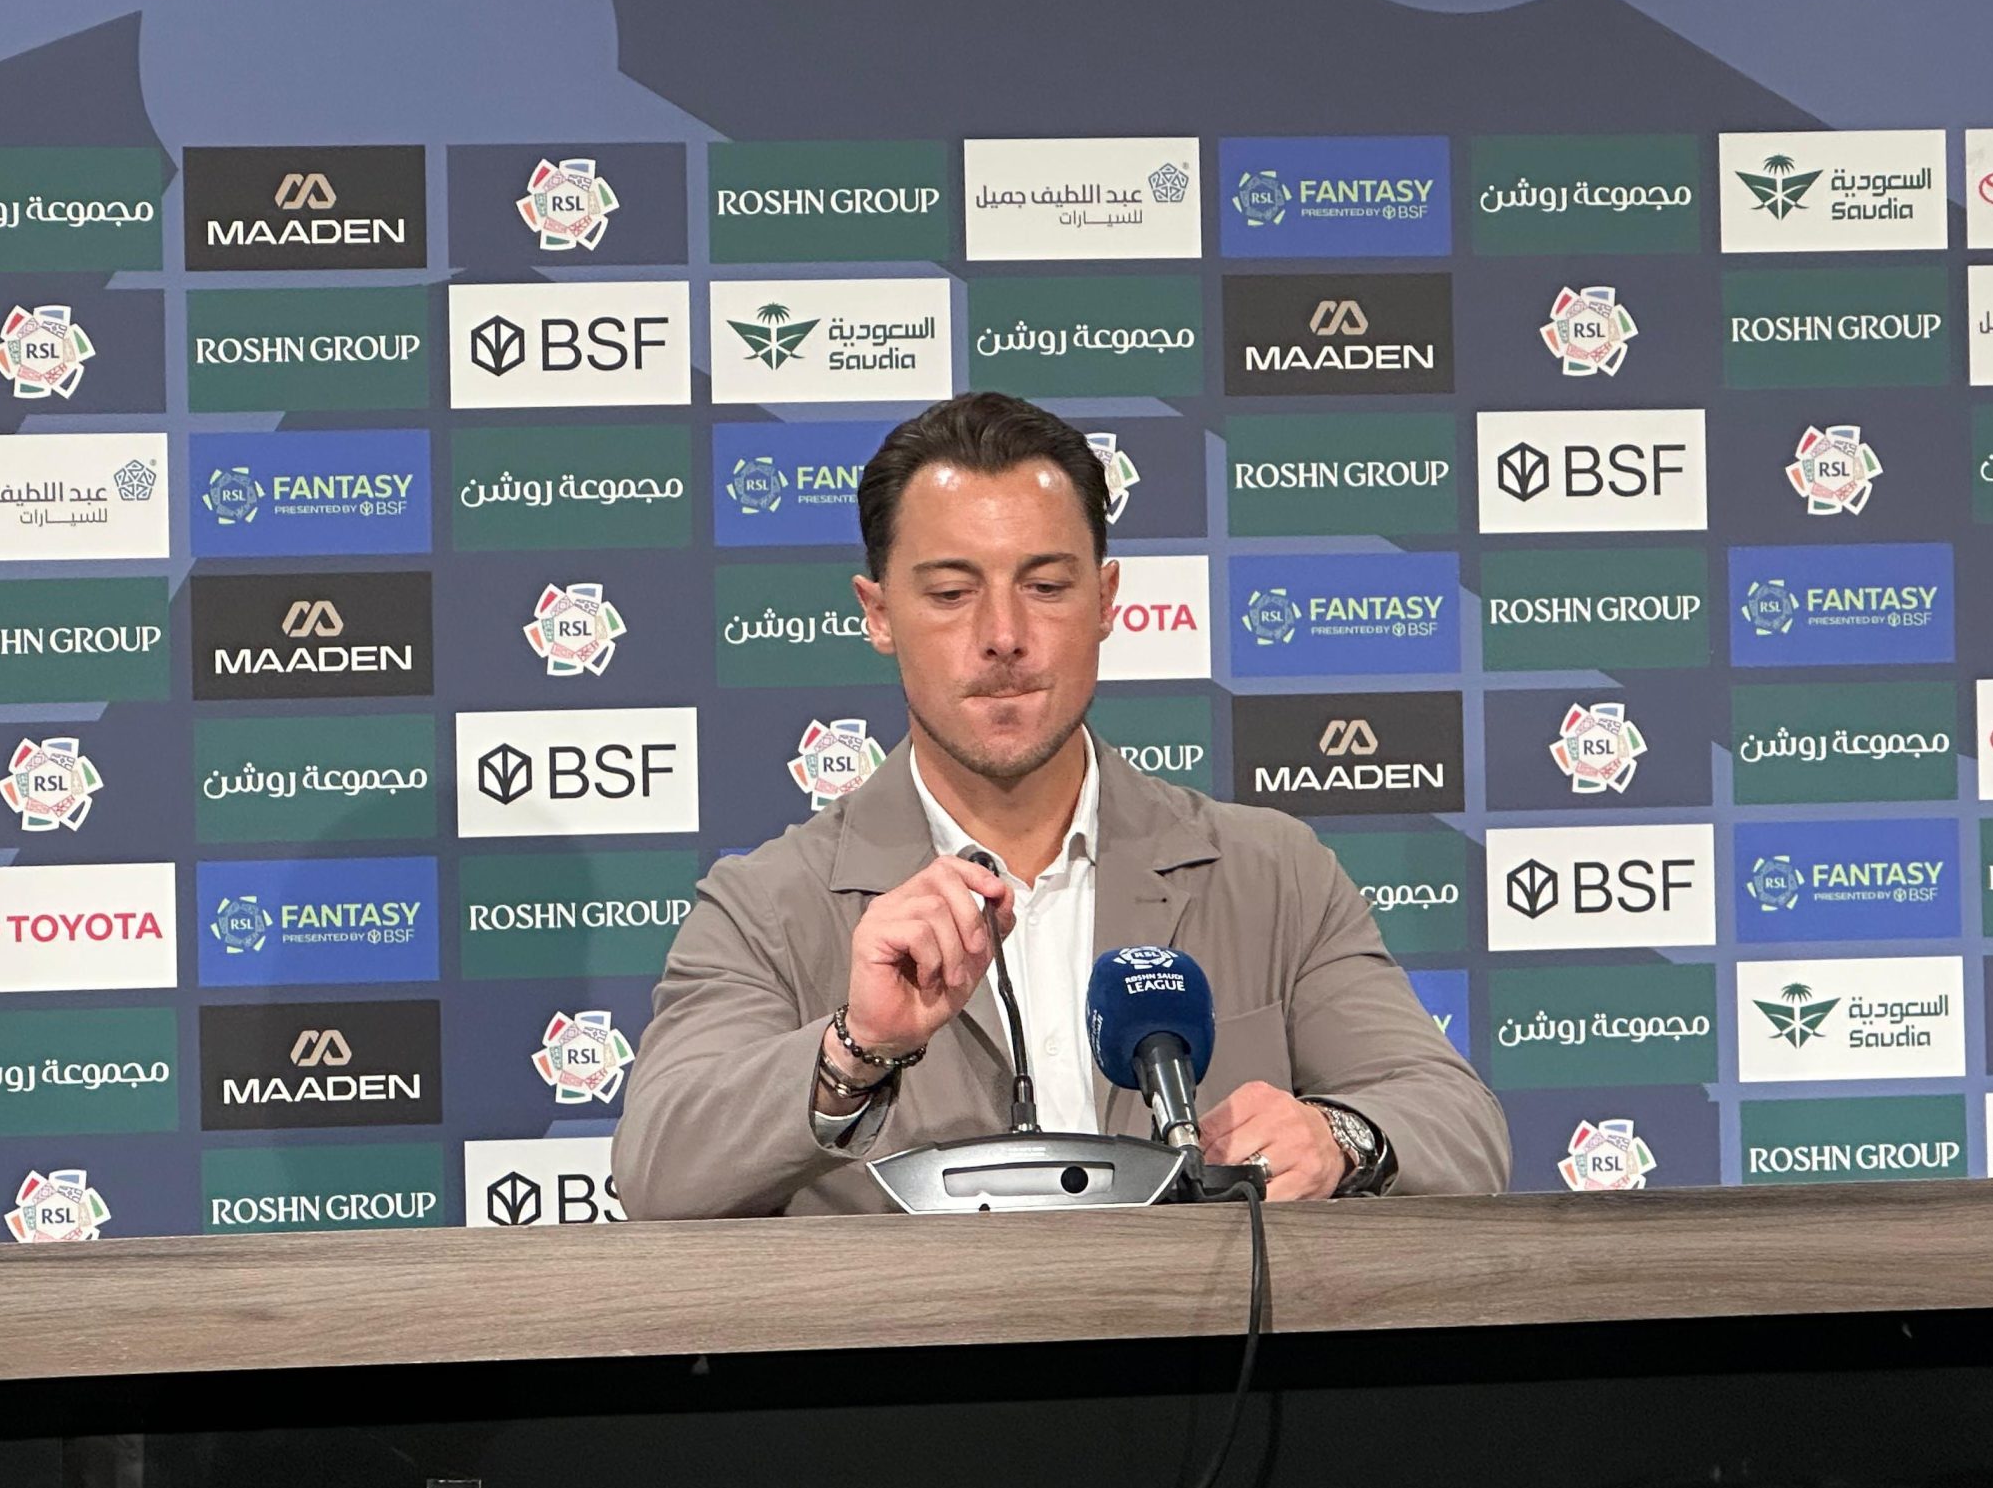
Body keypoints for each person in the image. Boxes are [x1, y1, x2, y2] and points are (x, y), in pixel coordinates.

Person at [615, 392, 1508, 1217]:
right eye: (951, 593)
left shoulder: (1271, 873)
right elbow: (659, 1173)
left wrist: (1339, 1137)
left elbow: (1457, 1123)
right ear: (878, 613)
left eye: (1045, 587)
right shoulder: (768, 906)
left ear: (1106, 601)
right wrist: (854, 1052)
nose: (1003, 636)